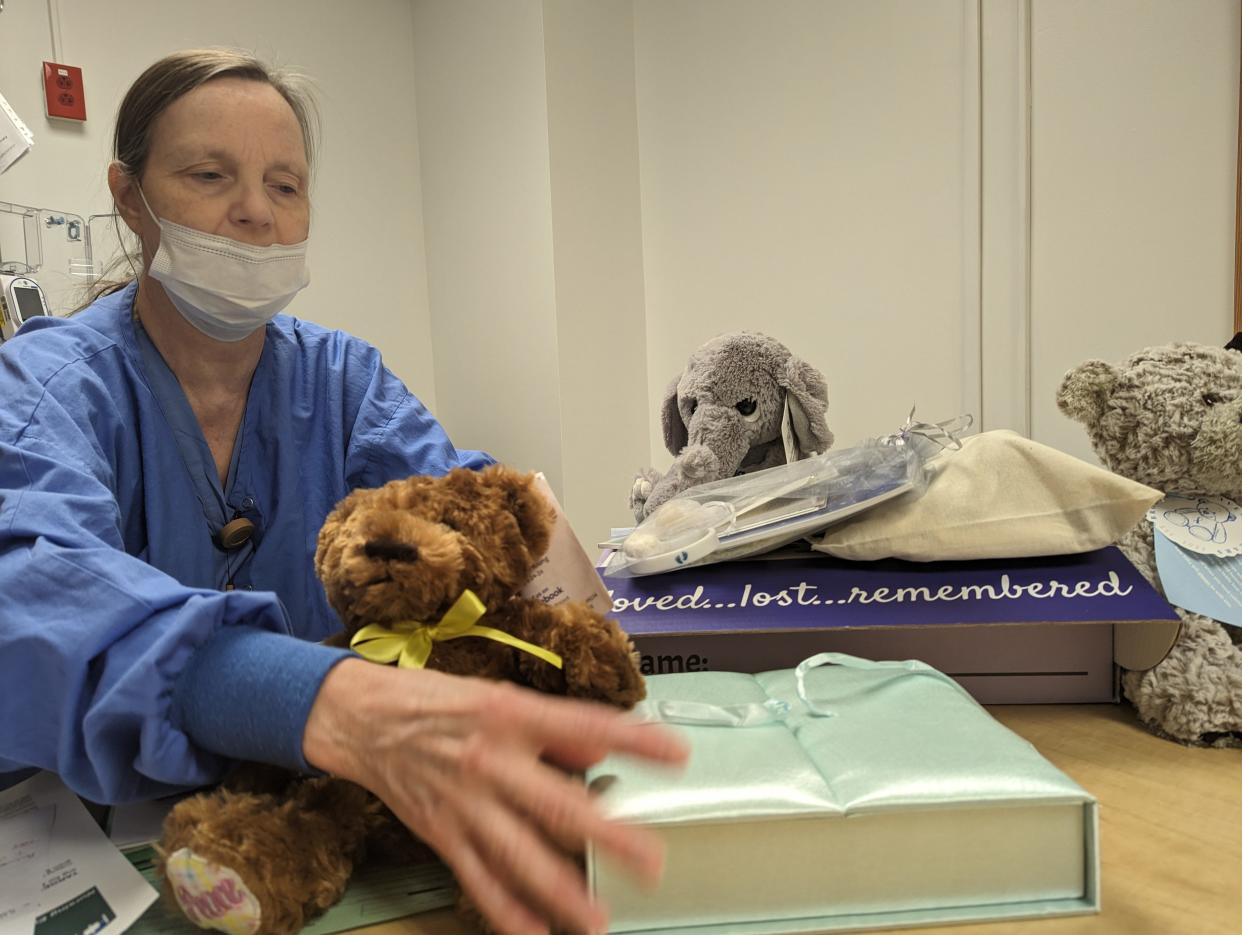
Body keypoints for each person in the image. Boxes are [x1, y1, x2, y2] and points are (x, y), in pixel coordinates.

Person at [0, 49, 685, 935]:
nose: (254, 211)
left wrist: (564, 633)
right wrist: (310, 696)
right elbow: (34, 591)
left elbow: (466, 517)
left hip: (328, 810)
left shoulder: (344, 381)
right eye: (210, 175)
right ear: (130, 197)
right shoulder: (45, 386)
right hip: (79, 834)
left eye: (285, 185)